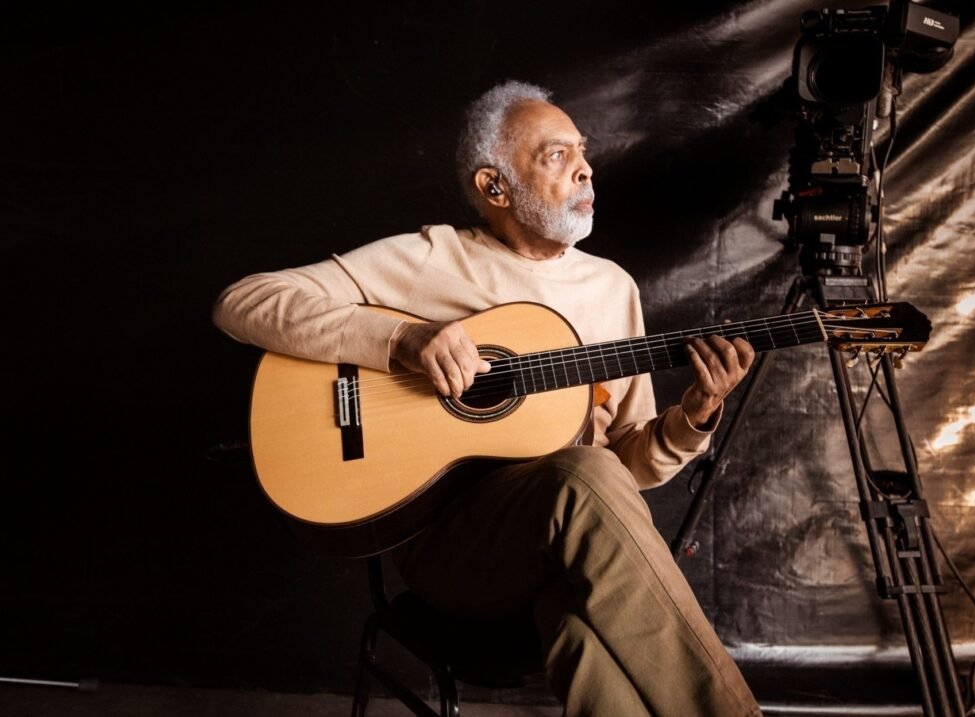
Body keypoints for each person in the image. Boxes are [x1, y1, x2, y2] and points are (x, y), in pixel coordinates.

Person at [213, 80, 760, 716]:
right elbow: (242, 301)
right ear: (495, 187)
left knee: (584, 627)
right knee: (586, 476)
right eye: (556, 155)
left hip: (567, 552)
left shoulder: (613, 289)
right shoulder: (433, 258)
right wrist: (400, 339)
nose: (585, 168)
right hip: (456, 554)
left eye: (582, 151)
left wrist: (693, 417)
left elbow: (626, 468)